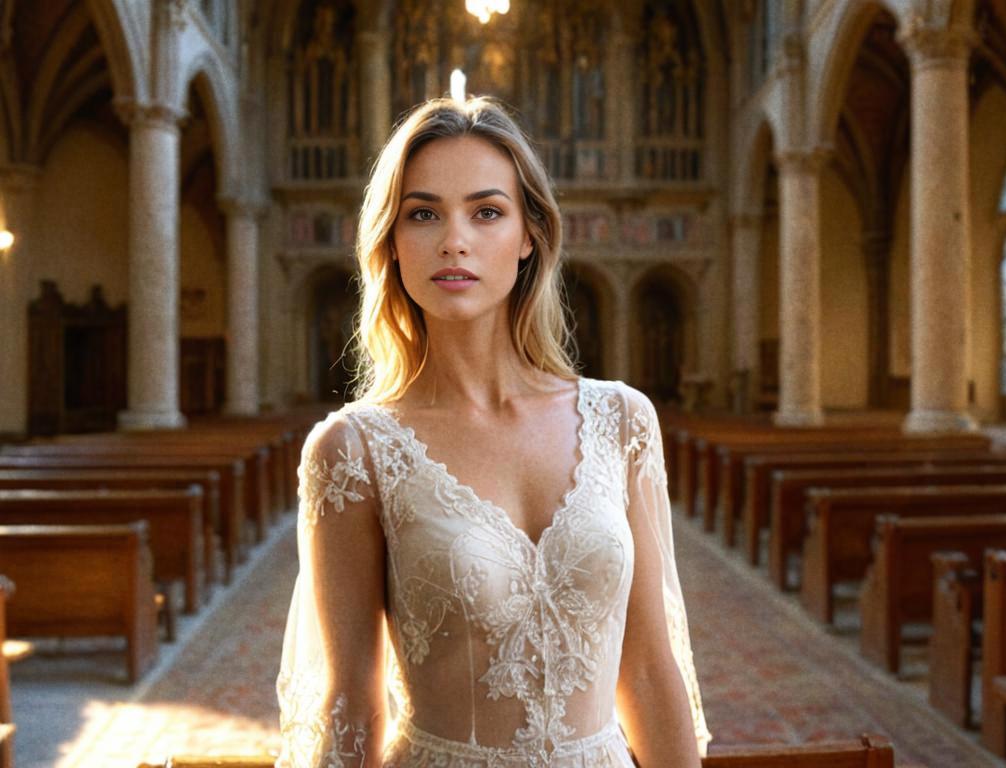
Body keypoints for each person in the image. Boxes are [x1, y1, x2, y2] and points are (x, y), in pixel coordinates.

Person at [276, 96, 711, 767]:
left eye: (487, 211)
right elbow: (352, 704)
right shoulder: (355, 451)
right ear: (392, 241)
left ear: (529, 233)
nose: (455, 240)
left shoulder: (621, 421)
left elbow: (651, 670)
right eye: (423, 214)